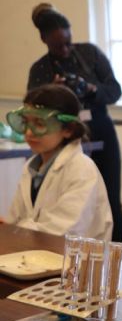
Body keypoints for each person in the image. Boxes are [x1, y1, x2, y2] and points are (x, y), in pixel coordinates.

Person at [27, 3, 122, 245]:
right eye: (58, 46)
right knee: (66, 201)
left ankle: (121, 254)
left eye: (68, 43)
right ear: (44, 40)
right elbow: (32, 107)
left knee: (111, 198)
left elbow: (114, 90)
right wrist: (53, 92)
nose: (64, 50)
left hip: (101, 130)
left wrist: (91, 89)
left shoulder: (90, 54)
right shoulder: (40, 69)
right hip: (63, 137)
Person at [0, 85, 112, 239]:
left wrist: (13, 230)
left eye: (40, 124)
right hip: (33, 250)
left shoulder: (82, 169)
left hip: (73, 253)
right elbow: (15, 219)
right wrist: (7, 227)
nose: (29, 132)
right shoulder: (31, 167)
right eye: (25, 123)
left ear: (68, 129)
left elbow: (62, 233)